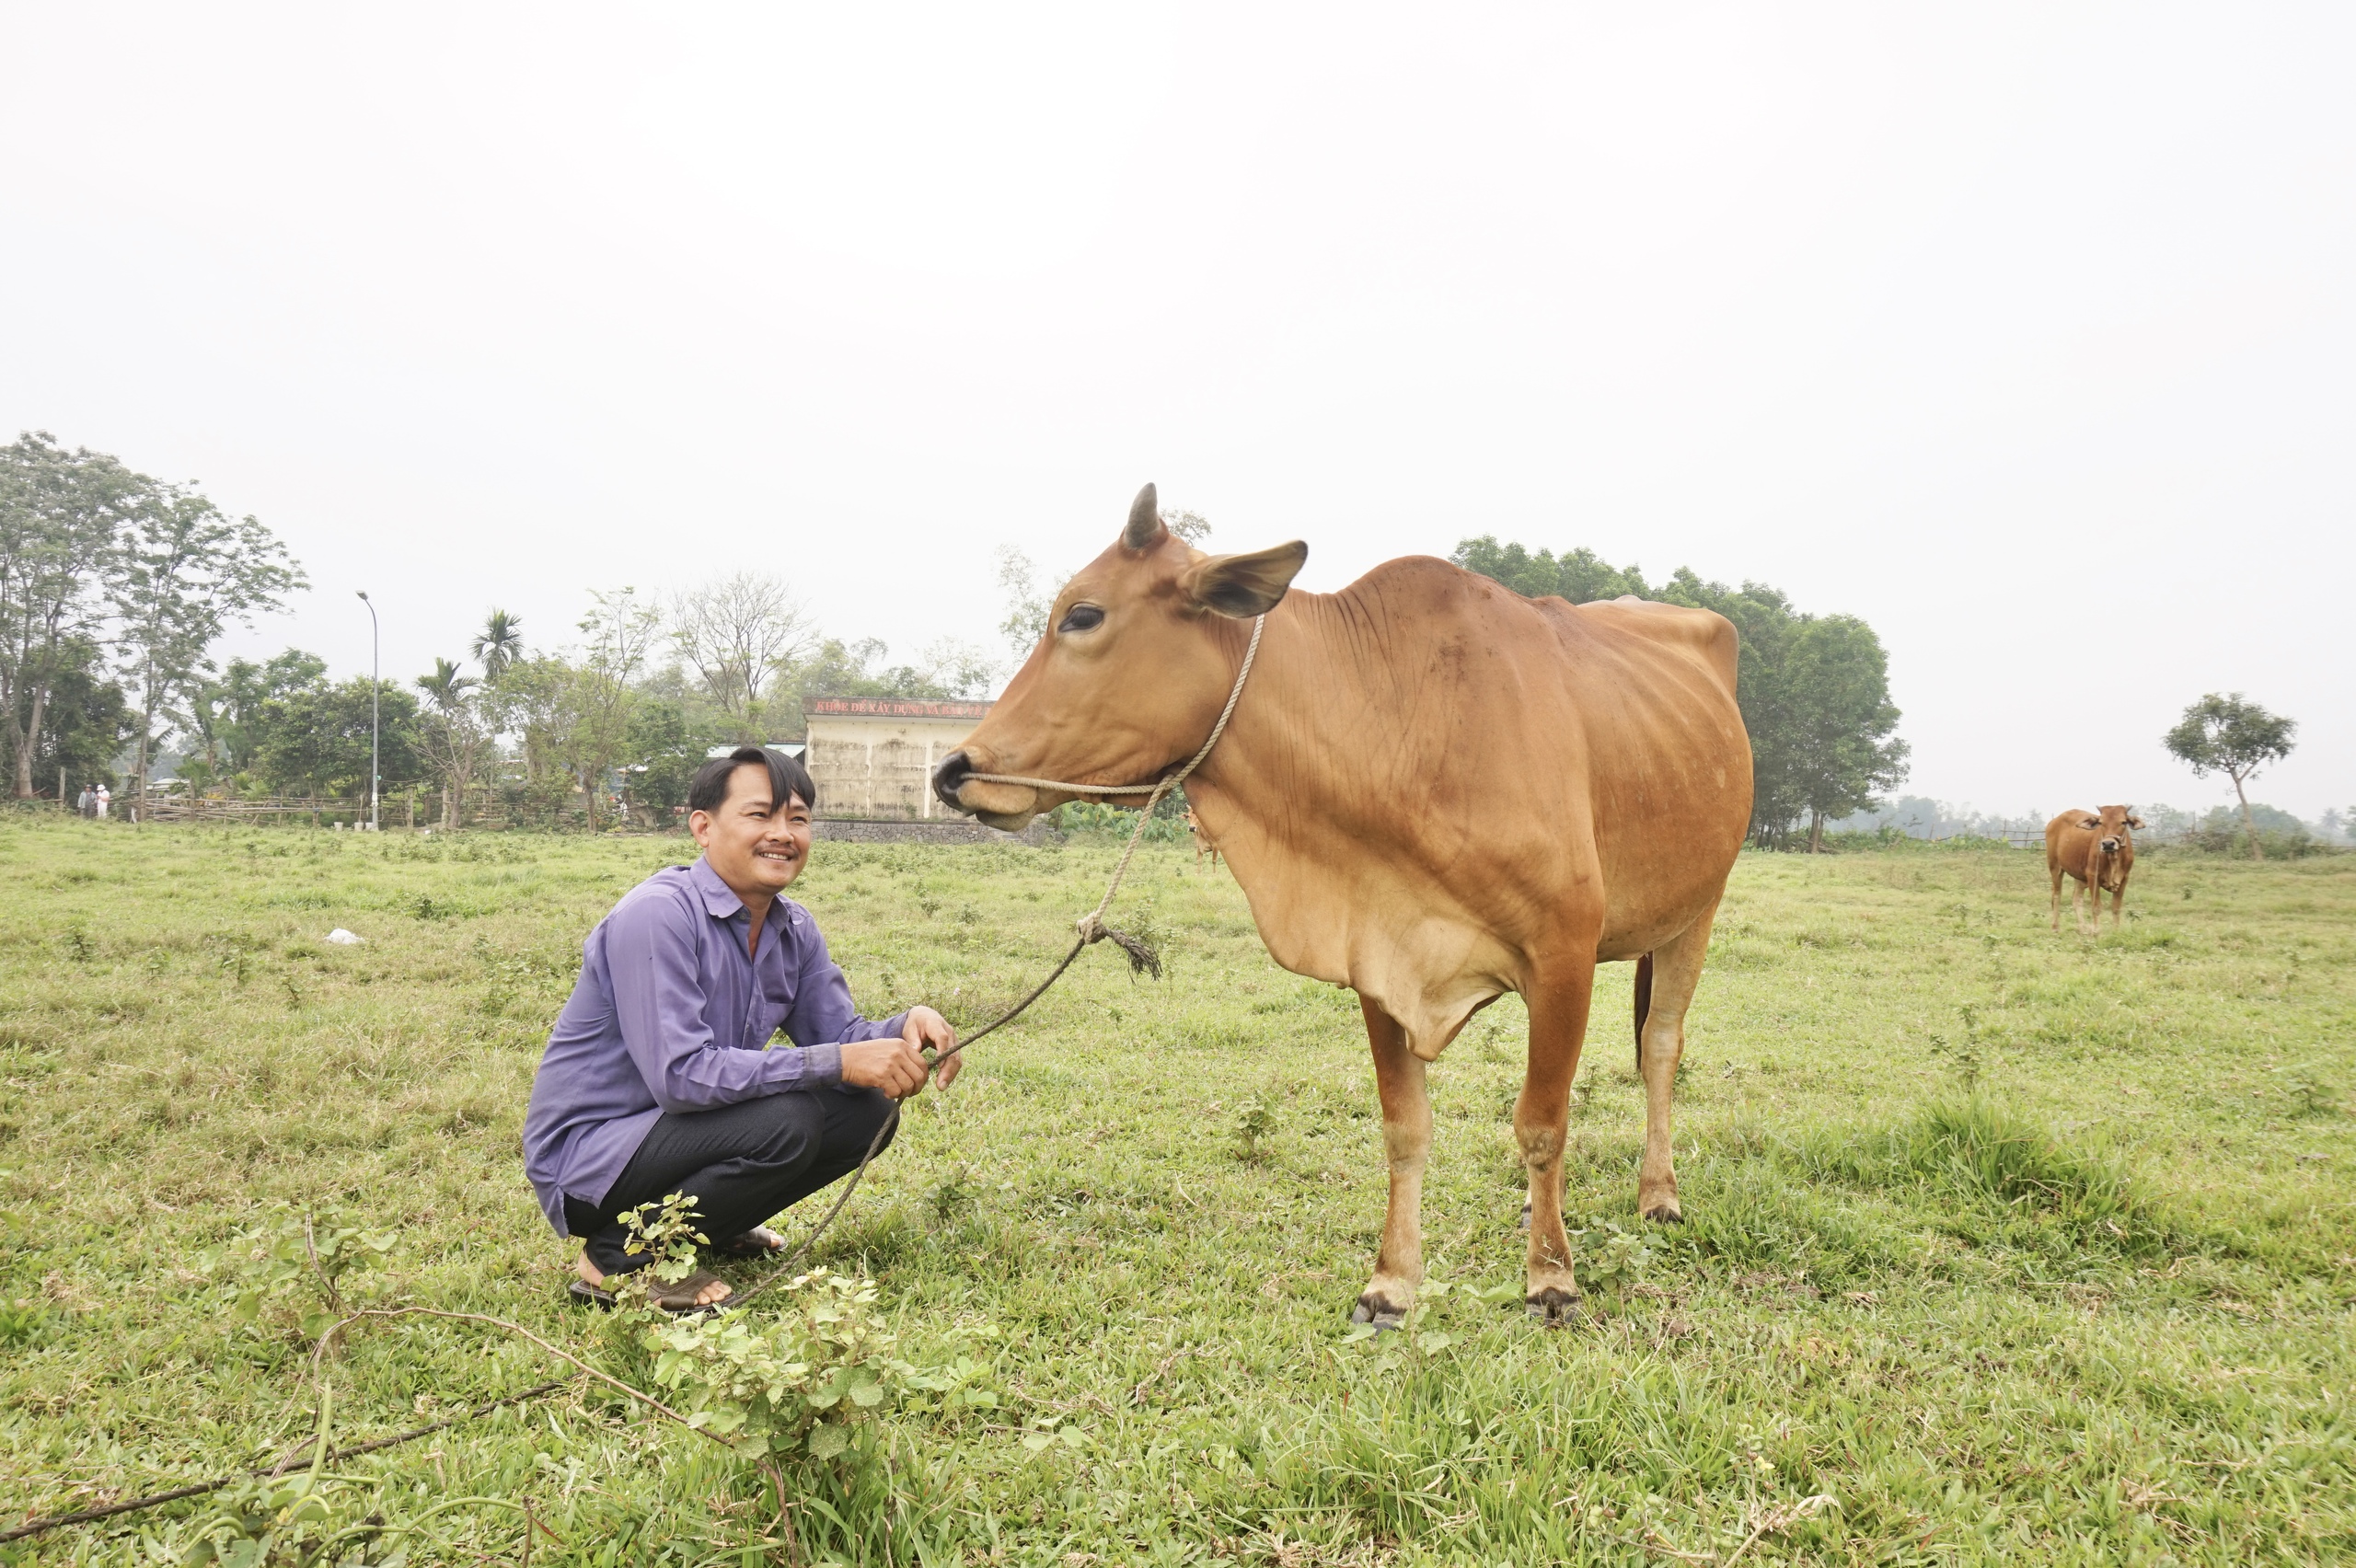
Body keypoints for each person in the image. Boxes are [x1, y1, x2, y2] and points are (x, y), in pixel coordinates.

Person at [524, 746, 958, 1314]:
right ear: (702, 827)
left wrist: (904, 1030)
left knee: (867, 1111)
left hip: (681, 1133)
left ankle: (710, 1225)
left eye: (797, 818)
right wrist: (841, 1062)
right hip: (591, 1160)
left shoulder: (793, 927)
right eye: (760, 815)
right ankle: (615, 1256)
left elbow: (840, 1034)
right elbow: (681, 1077)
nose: (783, 834)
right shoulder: (658, 915)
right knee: (789, 1118)